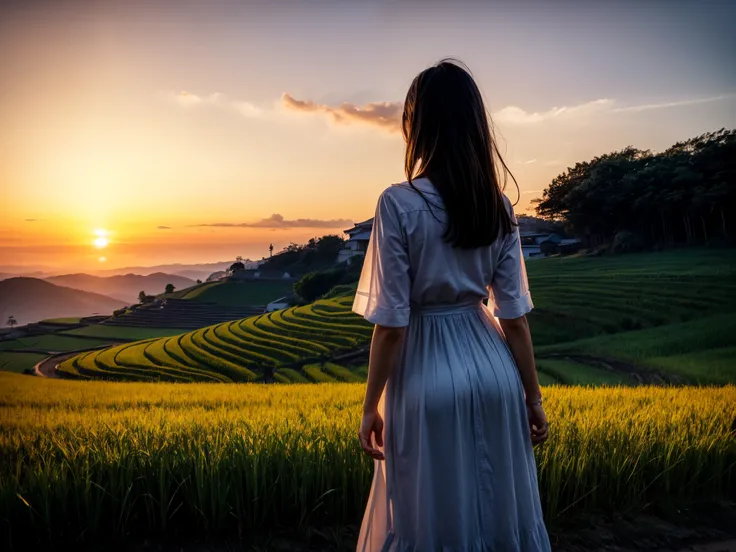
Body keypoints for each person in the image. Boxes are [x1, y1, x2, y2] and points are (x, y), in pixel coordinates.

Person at [353, 59, 552, 551]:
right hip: (494, 371)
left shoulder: (398, 203)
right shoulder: (497, 205)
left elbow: (392, 324)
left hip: (425, 373)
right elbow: (515, 319)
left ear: (417, 125)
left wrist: (368, 407)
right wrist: (533, 398)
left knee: (428, 514)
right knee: (497, 510)